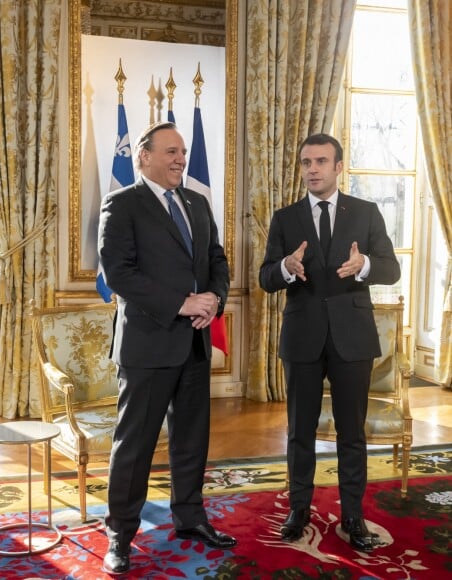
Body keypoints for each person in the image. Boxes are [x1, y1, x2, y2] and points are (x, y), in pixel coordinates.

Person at [97, 121, 235, 574]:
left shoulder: (196, 202)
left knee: (192, 441)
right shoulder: (122, 203)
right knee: (134, 447)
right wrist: (181, 303)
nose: (180, 159)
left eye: (184, 152)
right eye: (172, 151)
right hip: (147, 345)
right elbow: (120, 273)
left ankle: (190, 518)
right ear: (144, 155)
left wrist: (214, 299)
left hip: (194, 343)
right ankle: (120, 533)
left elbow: (216, 259)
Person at [259, 133, 400, 553]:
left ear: (339, 166)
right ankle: (298, 509)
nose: (312, 169)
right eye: (306, 162)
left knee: (351, 434)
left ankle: (353, 517)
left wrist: (365, 265)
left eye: (321, 161)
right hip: (302, 337)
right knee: (299, 431)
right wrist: (285, 266)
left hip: (352, 339)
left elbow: (390, 269)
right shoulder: (286, 219)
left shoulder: (367, 213)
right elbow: (265, 278)